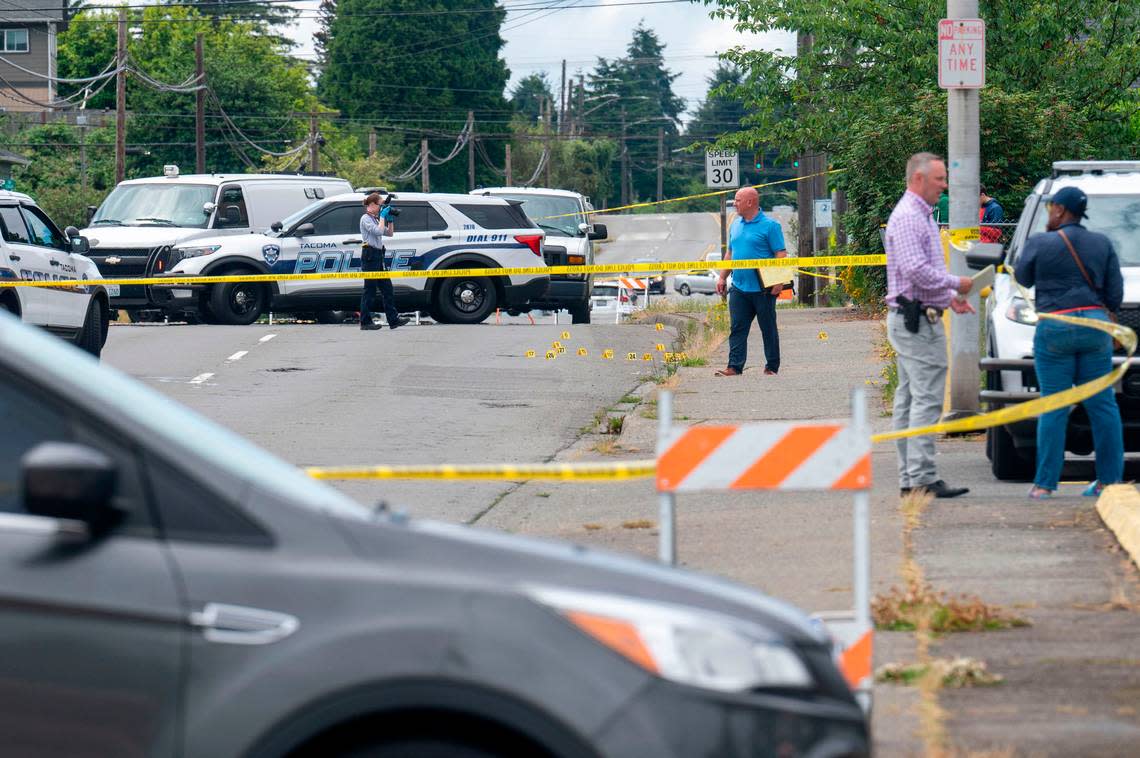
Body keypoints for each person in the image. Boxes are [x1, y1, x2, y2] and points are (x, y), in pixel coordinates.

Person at [1014, 186, 1123, 500]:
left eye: (1051, 207)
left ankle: (1045, 485)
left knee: (1054, 406)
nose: (1049, 212)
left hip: (1056, 327)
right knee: (1103, 406)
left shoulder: (1040, 242)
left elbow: (1022, 277)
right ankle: (1108, 482)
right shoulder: (1102, 243)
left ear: (1060, 210)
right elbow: (1114, 295)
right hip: (1093, 327)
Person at [884, 152, 975, 499]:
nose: (944, 185)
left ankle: (912, 477)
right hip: (917, 322)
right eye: (939, 179)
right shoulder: (909, 217)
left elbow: (917, 275)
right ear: (919, 179)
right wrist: (956, 284)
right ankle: (921, 477)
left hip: (918, 314)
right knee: (925, 399)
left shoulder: (918, 215)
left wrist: (945, 297)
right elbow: (915, 270)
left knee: (909, 398)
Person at [714, 186, 787, 377]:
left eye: (737, 200)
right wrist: (722, 277)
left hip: (763, 289)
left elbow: (781, 253)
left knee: (768, 328)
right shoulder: (735, 225)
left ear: (750, 202)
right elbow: (730, 253)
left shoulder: (771, 226)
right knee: (737, 327)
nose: (734, 203)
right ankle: (734, 367)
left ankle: (772, 366)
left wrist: (779, 280)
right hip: (739, 288)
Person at [359, 192, 407, 331]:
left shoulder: (375, 218)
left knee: (387, 288)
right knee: (370, 290)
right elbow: (378, 232)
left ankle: (393, 319)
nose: (382, 208)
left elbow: (389, 233)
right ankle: (365, 322)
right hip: (370, 255)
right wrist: (382, 217)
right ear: (372, 205)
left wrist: (390, 220)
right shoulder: (365, 218)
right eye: (381, 205)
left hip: (379, 255)